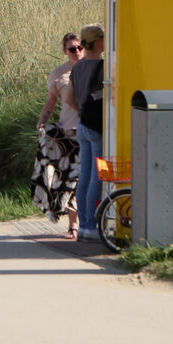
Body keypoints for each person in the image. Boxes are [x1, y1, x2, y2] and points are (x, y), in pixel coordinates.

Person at [34, 33, 85, 239]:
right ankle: (74, 225)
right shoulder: (59, 75)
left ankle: (89, 223)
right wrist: (42, 121)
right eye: (72, 49)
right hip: (68, 133)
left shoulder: (94, 69)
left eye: (80, 47)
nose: (77, 52)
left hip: (91, 130)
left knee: (84, 180)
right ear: (65, 51)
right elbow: (50, 103)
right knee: (71, 180)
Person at [64, 25, 105, 242]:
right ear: (97, 42)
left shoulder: (78, 67)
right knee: (97, 177)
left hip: (82, 125)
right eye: (104, 38)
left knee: (85, 176)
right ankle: (90, 224)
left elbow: (68, 99)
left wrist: (81, 111)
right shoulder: (104, 66)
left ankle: (83, 225)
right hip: (97, 127)